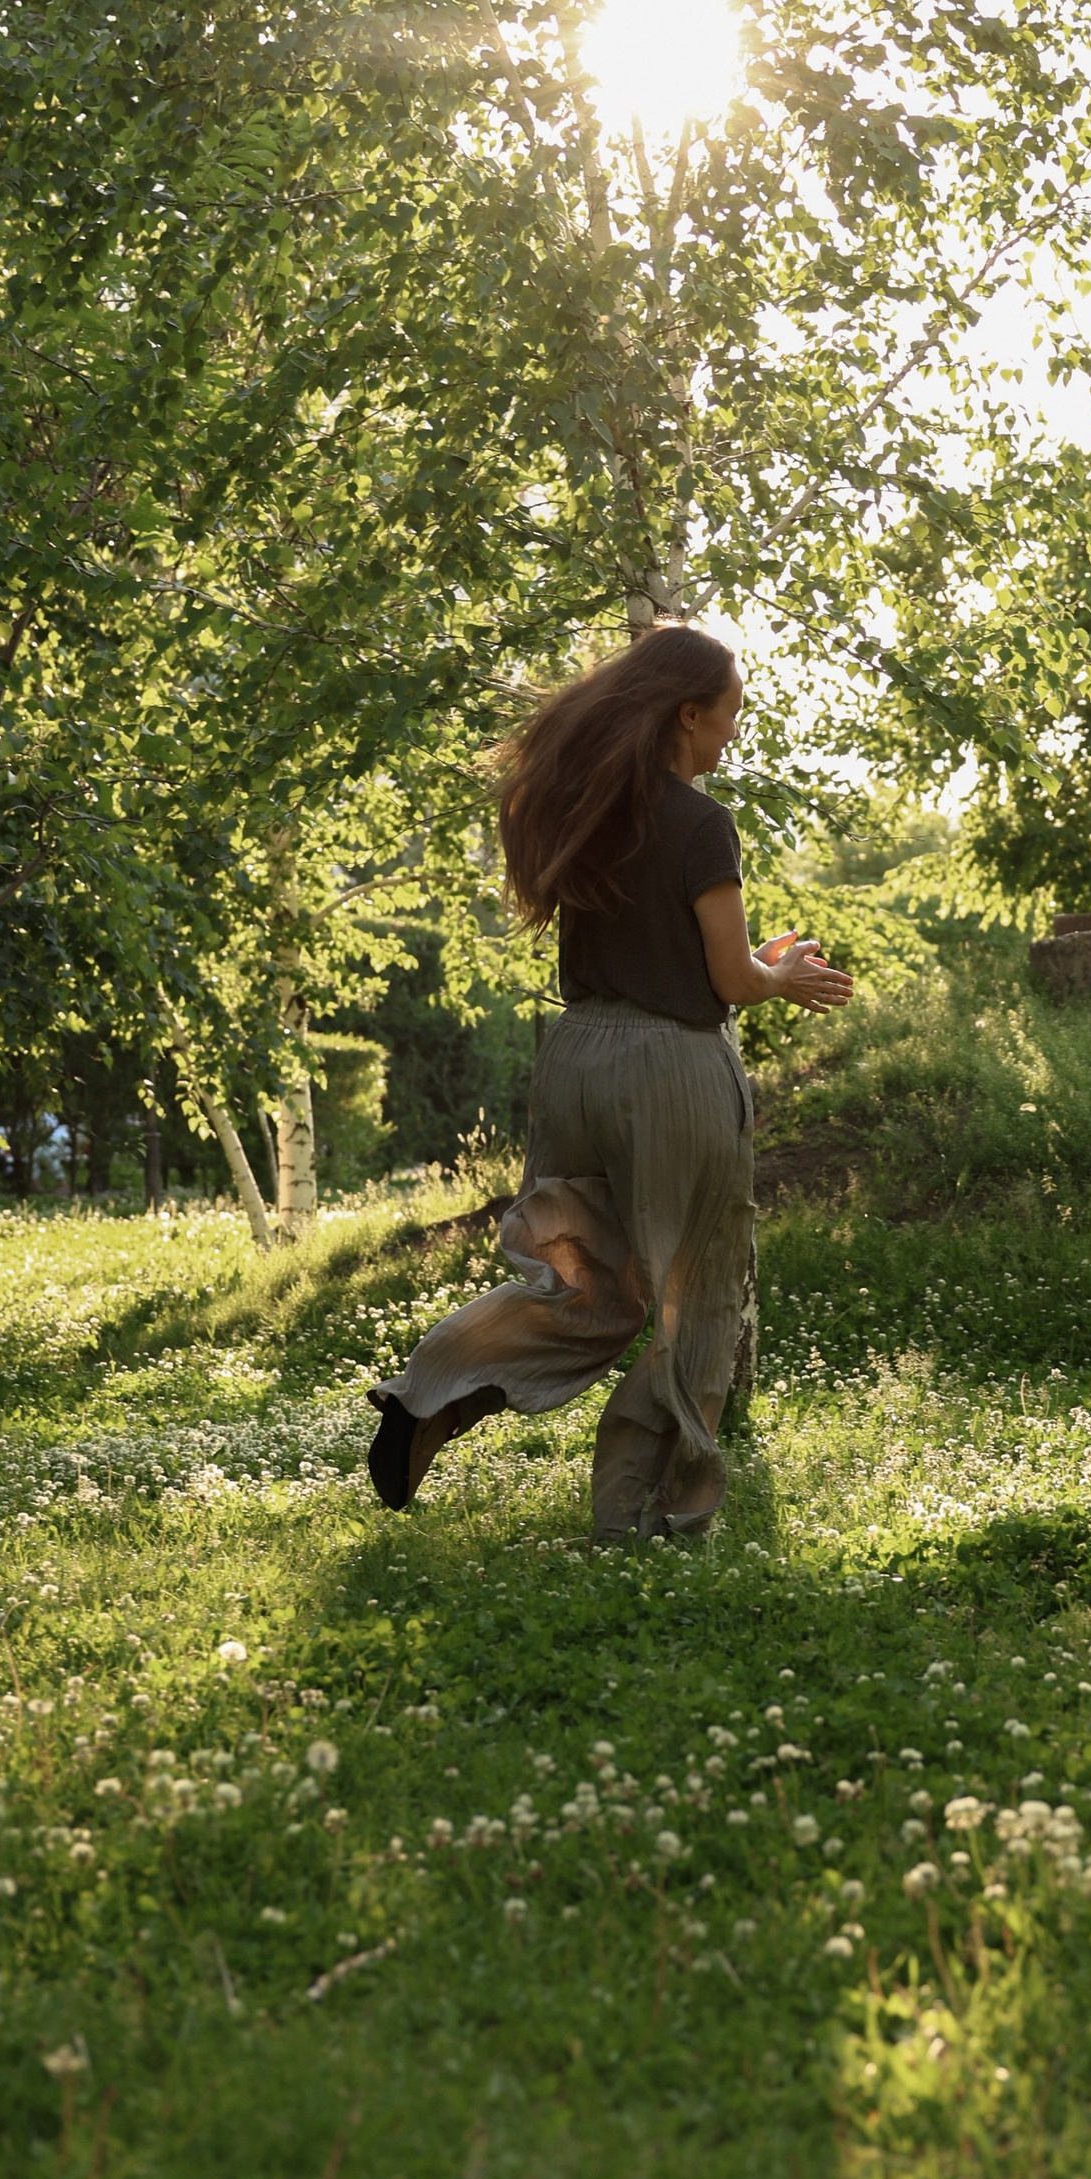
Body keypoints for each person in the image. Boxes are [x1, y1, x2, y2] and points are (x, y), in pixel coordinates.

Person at [365, 627, 850, 1541]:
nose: (732, 736)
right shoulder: (702, 823)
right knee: (691, 1297)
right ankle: (643, 1519)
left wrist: (757, 960)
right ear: (688, 712)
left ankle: (432, 1390)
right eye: (730, 715)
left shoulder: (585, 809)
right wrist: (778, 975)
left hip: (580, 1057)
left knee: (584, 1284)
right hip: (669, 1072)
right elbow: (731, 984)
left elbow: (679, 951)